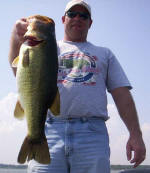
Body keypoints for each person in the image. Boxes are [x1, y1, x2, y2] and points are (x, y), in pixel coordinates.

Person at [9, 0, 146, 173]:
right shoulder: (47, 46)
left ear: (90, 22)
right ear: (63, 19)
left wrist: (136, 134)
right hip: (50, 131)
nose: (77, 18)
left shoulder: (105, 53)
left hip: (92, 135)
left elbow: (122, 95)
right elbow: (19, 70)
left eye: (84, 15)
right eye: (72, 14)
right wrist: (16, 35)